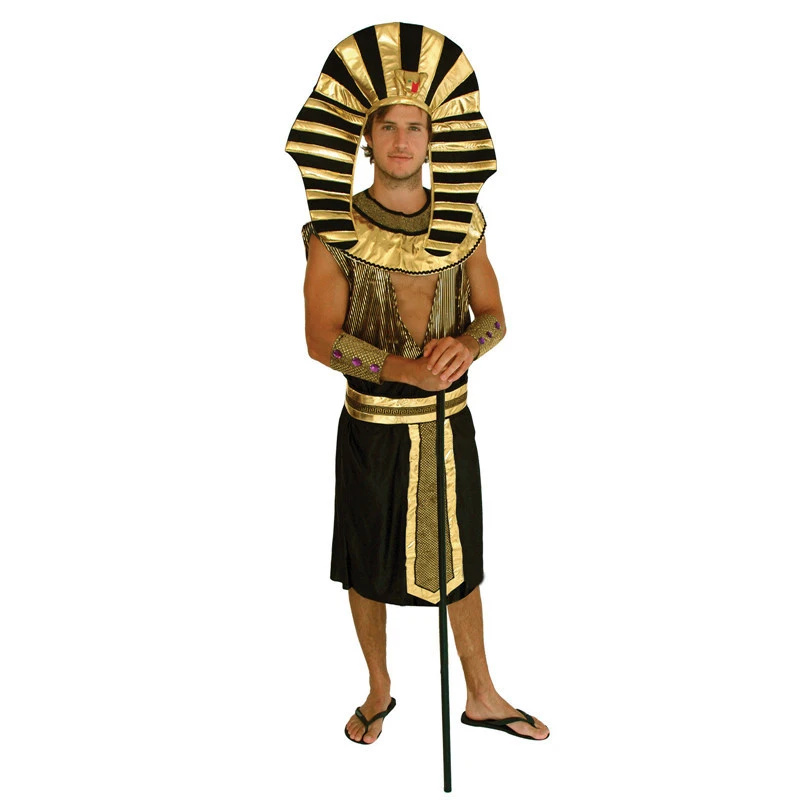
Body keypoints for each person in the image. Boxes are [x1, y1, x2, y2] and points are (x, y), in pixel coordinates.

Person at [288, 23, 549, 746]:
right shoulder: (333, 230)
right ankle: (378, 689)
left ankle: (482, 695)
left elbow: (494, 317)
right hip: (372, 426)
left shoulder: (463, 223)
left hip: (448, 421)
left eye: (415, 127)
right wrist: (404, 369)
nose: (401, 140)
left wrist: (467, 345)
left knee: (460, 562)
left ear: (433, 140)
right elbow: (321, 339)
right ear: (366, 138)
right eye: (388, 126)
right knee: (365, 564)